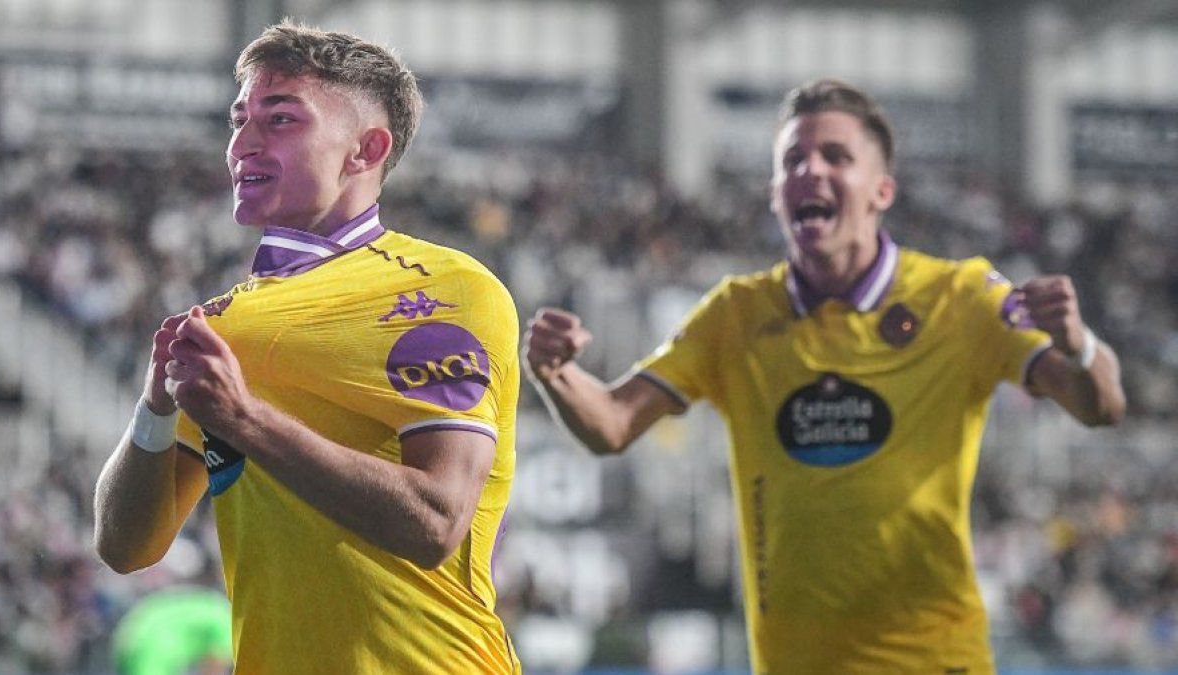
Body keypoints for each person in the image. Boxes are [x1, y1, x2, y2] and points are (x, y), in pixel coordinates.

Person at [523, 79, 1125, 673]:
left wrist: (1078, 346)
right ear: (775, 194)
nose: (810, 169)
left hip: (936, 663)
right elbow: (613, 423)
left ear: (882, 189)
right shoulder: (735, 315)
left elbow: (1101, 404)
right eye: (793, 160)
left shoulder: (959, 298)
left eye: (836, 156)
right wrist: (557, 374)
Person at [94, 21, 521, 674]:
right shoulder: (225, 323)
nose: (242, 143)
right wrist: (154, 411)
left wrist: (245, 419)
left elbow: (435, 522)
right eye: (239, 119)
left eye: (281, 119)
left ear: (365, 149)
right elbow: (125, 547)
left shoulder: (445, 287)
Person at [111, 588, 232, 675]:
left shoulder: (217, 607)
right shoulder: (229, 625)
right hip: (154, 646)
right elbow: (214, 667)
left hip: (131, 633)